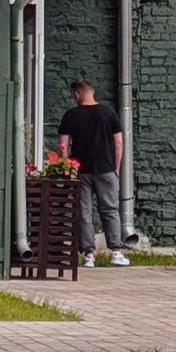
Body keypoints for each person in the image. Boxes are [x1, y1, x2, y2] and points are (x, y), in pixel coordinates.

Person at [57, 77, 127, 264]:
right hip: (106, 168)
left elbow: (63, 146)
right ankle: (116, 252)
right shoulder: (108, 113)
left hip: (81, 170)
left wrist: (67, 169)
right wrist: (116, 168)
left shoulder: (71, 115)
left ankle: (88, 254)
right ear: (92, 92)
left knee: (83, 212)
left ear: (77, 94)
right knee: (110, 210)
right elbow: (118, 143)